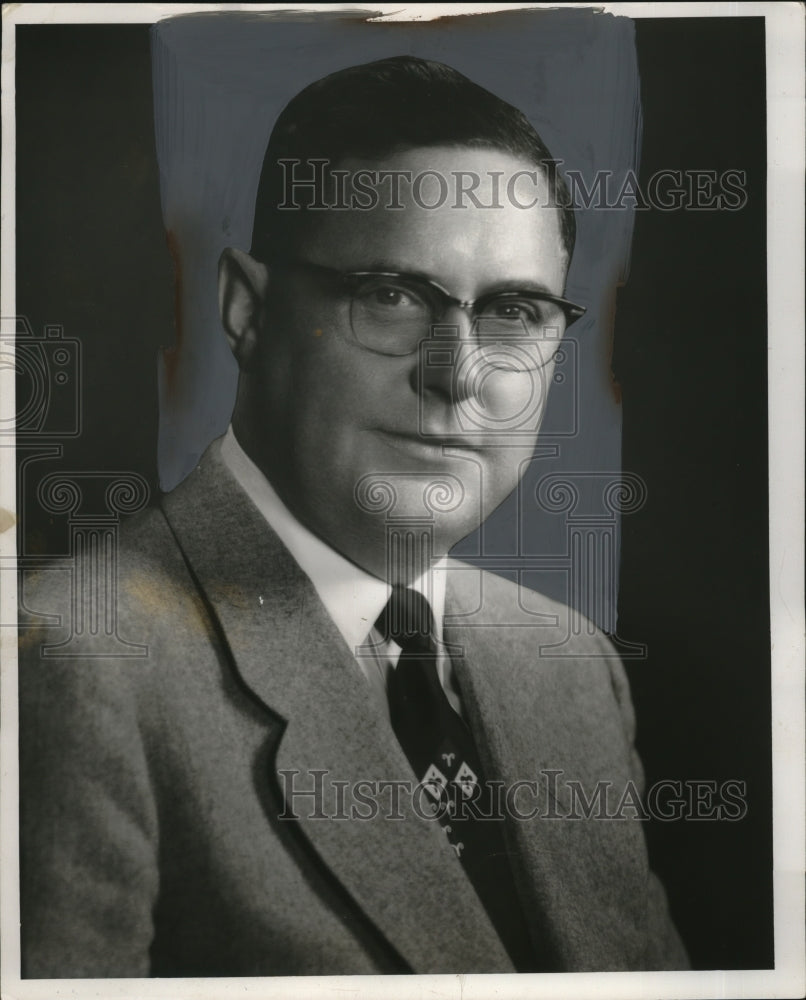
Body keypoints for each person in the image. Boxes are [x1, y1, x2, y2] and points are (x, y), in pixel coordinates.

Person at [18, 55, 688, 977]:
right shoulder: (66, 668)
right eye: (393, 295)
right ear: (247, 311)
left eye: (514, 311)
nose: (457, 376)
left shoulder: (570, 665)